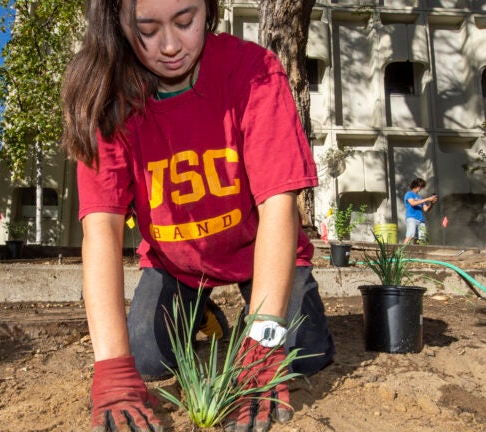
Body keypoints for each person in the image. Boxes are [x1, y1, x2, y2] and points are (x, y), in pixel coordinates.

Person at [60, 1, 335, 431]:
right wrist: (112, 370)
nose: (170, 45)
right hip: (178, 265)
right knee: (146, 358)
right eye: (147, 30)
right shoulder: (109, 101)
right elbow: (102, 230)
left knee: (303, 350)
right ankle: (205, 312)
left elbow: (280, 207)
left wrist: (265, 338)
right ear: (119, 26)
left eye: (186, 22)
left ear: (209, 9)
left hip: (261, 252)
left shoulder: (254, 71)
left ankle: (254, 318)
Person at [403, 178, 437, 244]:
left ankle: (421, 253)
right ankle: (400, 252)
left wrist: (431, 203)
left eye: (422, 187)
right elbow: (412, 203)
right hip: (411, 218)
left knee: (422, 238)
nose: (421, 188)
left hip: (421, 220)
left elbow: (426, 209)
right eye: (420, 186)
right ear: (416, 185)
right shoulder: (409, 194)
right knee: (410, 235)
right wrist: (427, 199)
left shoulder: (420, 197)